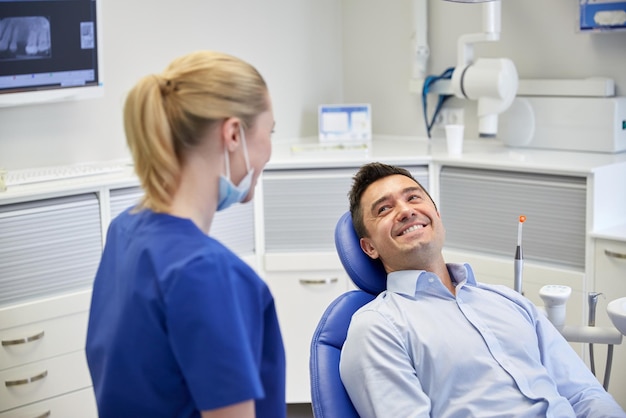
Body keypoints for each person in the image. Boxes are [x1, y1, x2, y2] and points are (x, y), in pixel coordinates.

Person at [86, 51, 285, 418]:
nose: (270, 150)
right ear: (233, 134)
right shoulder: (207, 272)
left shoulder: (124, 232)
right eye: (269, 131)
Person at [339, 162, 625, 418]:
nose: (405, 210)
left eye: (413, 197)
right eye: (384, 209)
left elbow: (585, 394)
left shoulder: (508, 301)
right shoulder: (377, 327)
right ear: (369, 247)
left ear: (437, 215)